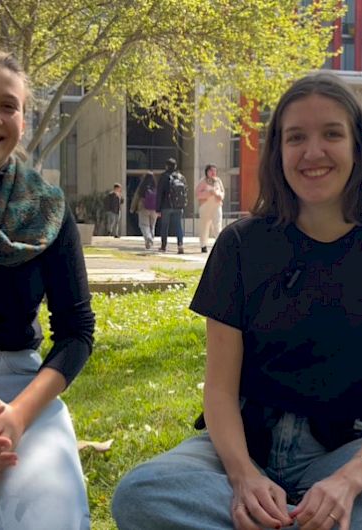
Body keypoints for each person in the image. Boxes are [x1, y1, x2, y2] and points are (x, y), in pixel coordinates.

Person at [112, 71, 362, 530]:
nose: (312, 152)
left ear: (356, 147)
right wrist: (244, 476)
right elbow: (221, 389)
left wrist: (347, 482)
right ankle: (300, 520)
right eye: (295, 137)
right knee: (140, 493)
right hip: (246, 443)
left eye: (332, 134)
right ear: (278, 151)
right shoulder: (241, 245)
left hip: (344, 450)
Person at [0, 45, 94, 529]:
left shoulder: (48, 209)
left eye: (8, 105)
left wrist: (19, 417)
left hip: (24, 391)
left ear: (23, 119)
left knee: (52, 517)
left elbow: (76, 331)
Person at [156, 157, 188, 254]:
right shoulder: (181, 177)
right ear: (175, 166)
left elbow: (160, 193)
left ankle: (163, 246)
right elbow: (185, 191)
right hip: (178, 206)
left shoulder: (164, 176)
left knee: (164, 226)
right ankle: (180, 245)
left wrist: (158, 208)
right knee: (178, 226)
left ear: (166, 166)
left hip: (166, 206)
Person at [195, 163, 225, 253]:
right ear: (207, 172)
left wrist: (219, 195)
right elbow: (197, 194)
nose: (213, 173)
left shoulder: (218, 181)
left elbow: (222, 192)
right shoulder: (203, 181)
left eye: (214, 171)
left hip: (216, 206)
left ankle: (219, 244)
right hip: (205, 207)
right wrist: (209, 193)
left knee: (217, 225)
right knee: (204, 226)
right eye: (211, 171)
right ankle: (203, 245)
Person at [130, 171, 158, 249]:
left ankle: (148, 238)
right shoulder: (156, 187)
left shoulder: (141, 187)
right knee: (152, 226)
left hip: (143, 208)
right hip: (154, 209)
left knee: (144, 225)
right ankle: (150, 240)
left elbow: (136, 198)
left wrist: (132, 208)